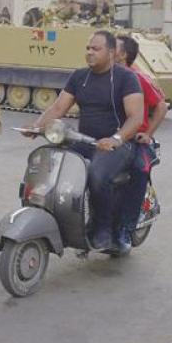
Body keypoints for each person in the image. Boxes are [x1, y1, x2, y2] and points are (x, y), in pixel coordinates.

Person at [28, 30, 144, 254]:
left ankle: (103, 229)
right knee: (51, 163)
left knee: (98, 176)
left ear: (111, 53)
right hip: (86, 141)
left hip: (119, 144)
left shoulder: (126, 78)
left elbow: (136, 117)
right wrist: (36, 126)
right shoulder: (79, 76)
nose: (89, 52)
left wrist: (116, 138)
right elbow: (58, 108)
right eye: (88, 48)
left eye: (96, 49)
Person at [115, 35, 168, 251]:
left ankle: (126, 228)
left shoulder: (138, 78)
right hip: (109, 137)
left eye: (113, 46)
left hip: (135, 140)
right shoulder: (103, 74)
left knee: (138, 170)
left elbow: (162, 106)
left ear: (123, 54)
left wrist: (147, 133)